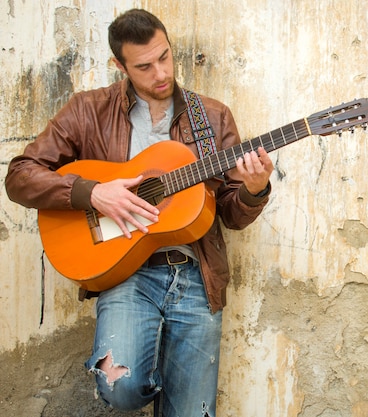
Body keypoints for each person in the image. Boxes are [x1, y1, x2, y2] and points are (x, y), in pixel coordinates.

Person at [5, 8, 273, 417]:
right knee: (123, 386)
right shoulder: (87, 111)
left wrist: (254, 190)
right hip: (126, 272)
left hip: (197, 276)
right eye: (144, 66)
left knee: (191, 412)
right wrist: (92, 193)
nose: (161, 73)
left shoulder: (212, 117)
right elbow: (20, 176)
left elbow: (231, 215)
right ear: (120, 65)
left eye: (165, 57)